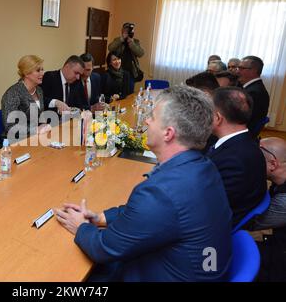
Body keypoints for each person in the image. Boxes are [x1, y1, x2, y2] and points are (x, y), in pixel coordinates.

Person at [55, 85, 232, 282]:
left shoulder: (160, 193)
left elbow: (103, 248)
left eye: (153, 117)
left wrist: (80, 227)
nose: (146, 120)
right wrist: (101, 218)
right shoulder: (204, 166)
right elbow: (148, 215)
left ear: (168, 133)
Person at [208, 86, 267, 227]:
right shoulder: (242, 142)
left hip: (212, 226)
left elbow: (208, 203)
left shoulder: (236, 160)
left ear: (217, 118)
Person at [1, 55, 50, 139]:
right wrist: (35, 130)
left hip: (37, 138)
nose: (42, 73)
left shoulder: (39, 90)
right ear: (26, 73)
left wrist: (44, 125)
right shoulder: (12, 93)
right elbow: (10, 128)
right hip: (18, 141)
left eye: (42, 69)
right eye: (38, 70)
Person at [249, 137, 286, 230]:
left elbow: (252, 222)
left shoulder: (283, 201)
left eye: (257, 160)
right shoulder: (280, 180)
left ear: (273, 164)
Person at [236, 55, 270, 137]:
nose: (237, 71)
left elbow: (240, 119)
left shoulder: (254, 92)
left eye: (241, 68)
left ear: (253, 71)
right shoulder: (252, 88)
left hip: (241, 135)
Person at [108, 22, 145, 89]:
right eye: (126, 30)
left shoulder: (135, 41)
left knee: (129, 92)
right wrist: (121, 39)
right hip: (117, 71)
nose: (128, 32)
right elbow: (110, 48)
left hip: (131, 72)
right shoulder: (118, 40)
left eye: (130, 30)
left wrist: (131, 43)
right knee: (117, 90)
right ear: (122, 31)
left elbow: (141, 53)